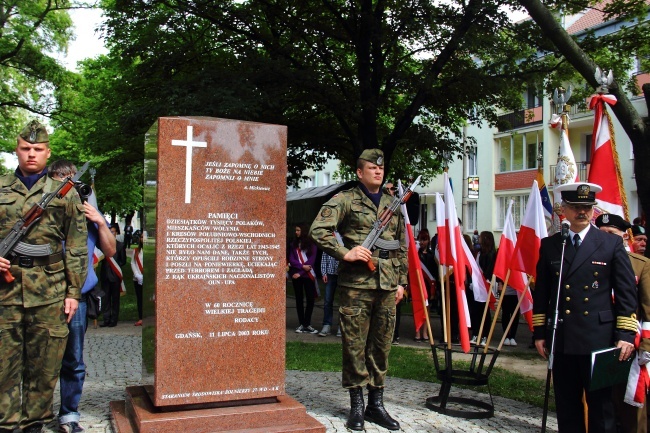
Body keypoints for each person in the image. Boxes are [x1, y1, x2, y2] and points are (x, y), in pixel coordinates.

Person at [0, 121, 88, 433]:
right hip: (4, 295)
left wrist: (73, 293)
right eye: (26, 148)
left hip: (50, 293)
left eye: (38, 149)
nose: (31, 154)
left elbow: (77, 246)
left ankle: (35, 423)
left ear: (47, 152)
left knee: (44, 368)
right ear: (17, 150)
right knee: (4, 369)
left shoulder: (63, 194)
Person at [310, 149, 406, 431]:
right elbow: (319, 229)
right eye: (371, 168)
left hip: (387, 284)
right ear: (359, 172)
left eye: (381, 168)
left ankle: (376, 404)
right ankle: (357, 405)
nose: (378, 171)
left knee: (381, 346)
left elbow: (400, 246)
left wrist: (401, 282)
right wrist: (345, 252)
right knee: (354, 346)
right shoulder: (346, 199)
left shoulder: (393, 203)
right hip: (356, 286)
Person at [533, 183, 638, 433]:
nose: (583, 212)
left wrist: (625, 335)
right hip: (564, 337)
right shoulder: (551, 245)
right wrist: (539, 333)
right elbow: (543, 293)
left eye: (587, 207)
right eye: (577, 207)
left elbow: (626, 293)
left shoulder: (610, 244)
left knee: (602, 408)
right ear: (564, 210)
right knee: (568, 406)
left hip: (600, 340)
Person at [49, 160, 117, 433]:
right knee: (37, 359)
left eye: (70, 179)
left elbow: (110, 251)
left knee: (73, 359)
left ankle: (68, 414)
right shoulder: (43, 210)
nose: (66, 185)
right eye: (59, 180)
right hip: (45, 295)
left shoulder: (87, 211)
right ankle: (33, 415)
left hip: (78, 297)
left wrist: (100, 221)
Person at [595, 213, 650, 433]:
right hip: (601, 340)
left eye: (612, 234)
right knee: (603, 400)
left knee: (630, 405)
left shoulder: (640, 264)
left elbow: (647, 309)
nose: (606, 238)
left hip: (632, 344)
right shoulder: (593, 261)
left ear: (624, 237)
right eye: (602, 234)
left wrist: (646, 346)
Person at [288, 223, 319, 334]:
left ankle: (307, 323)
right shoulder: (293, 244)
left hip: (307, 275)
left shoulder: (312, 245)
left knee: (310, 299)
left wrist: (301, 272)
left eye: (298, 230)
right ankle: (302, 323)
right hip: (297, 275)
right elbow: (292, 260)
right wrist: (301, 268)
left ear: (304, 231)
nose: (296, 232)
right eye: (296, 230)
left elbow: (311, 261)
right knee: (299, 300)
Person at [100, 224, 126, 327]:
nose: (111, 233)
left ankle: (114, 320)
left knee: (115, 299)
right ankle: (106, 319)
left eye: (113, 232)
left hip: (115, 276)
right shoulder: (103, 244)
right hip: (105, 276)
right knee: (105, 299)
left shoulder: (120, 245)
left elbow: (123, 261)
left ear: (116, 233)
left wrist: (115, 268)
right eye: (109, 231)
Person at [473, 231, 496, 346]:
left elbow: (490, 270)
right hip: (478, 285)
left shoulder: (492, 254)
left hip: (486, 285)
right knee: (476, 311)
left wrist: (485, 280)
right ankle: (476, 334)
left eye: (481, 237)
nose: (479, 239)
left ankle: (485, 336)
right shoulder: (479, 252)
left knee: (485, 313)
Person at [414, 228, 436, 342]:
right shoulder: (415, 254)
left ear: (428, 241)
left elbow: (433, 273)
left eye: (424, 240)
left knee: (427, 309)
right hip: (417, 285)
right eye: (420, 240)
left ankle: (425, 332)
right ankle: (417, 331)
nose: (422, 242)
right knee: (418, 308)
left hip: (427, 286)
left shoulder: (432, 255)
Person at [318, 249, 340, 337]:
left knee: (343, 302)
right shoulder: (330, 239)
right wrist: (324, 273)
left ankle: (341, 326)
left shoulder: (346, 239)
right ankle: (326, 325)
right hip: (330, 274)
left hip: (342, 274)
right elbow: (324, 257)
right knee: (327, 300)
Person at [131, 235, 144, 327]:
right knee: (140, 298)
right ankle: (141, 317)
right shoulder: (136, 251)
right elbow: (132, 263)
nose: (143, 239)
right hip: (137, 278)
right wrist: (137, 274)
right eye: (141, 237)